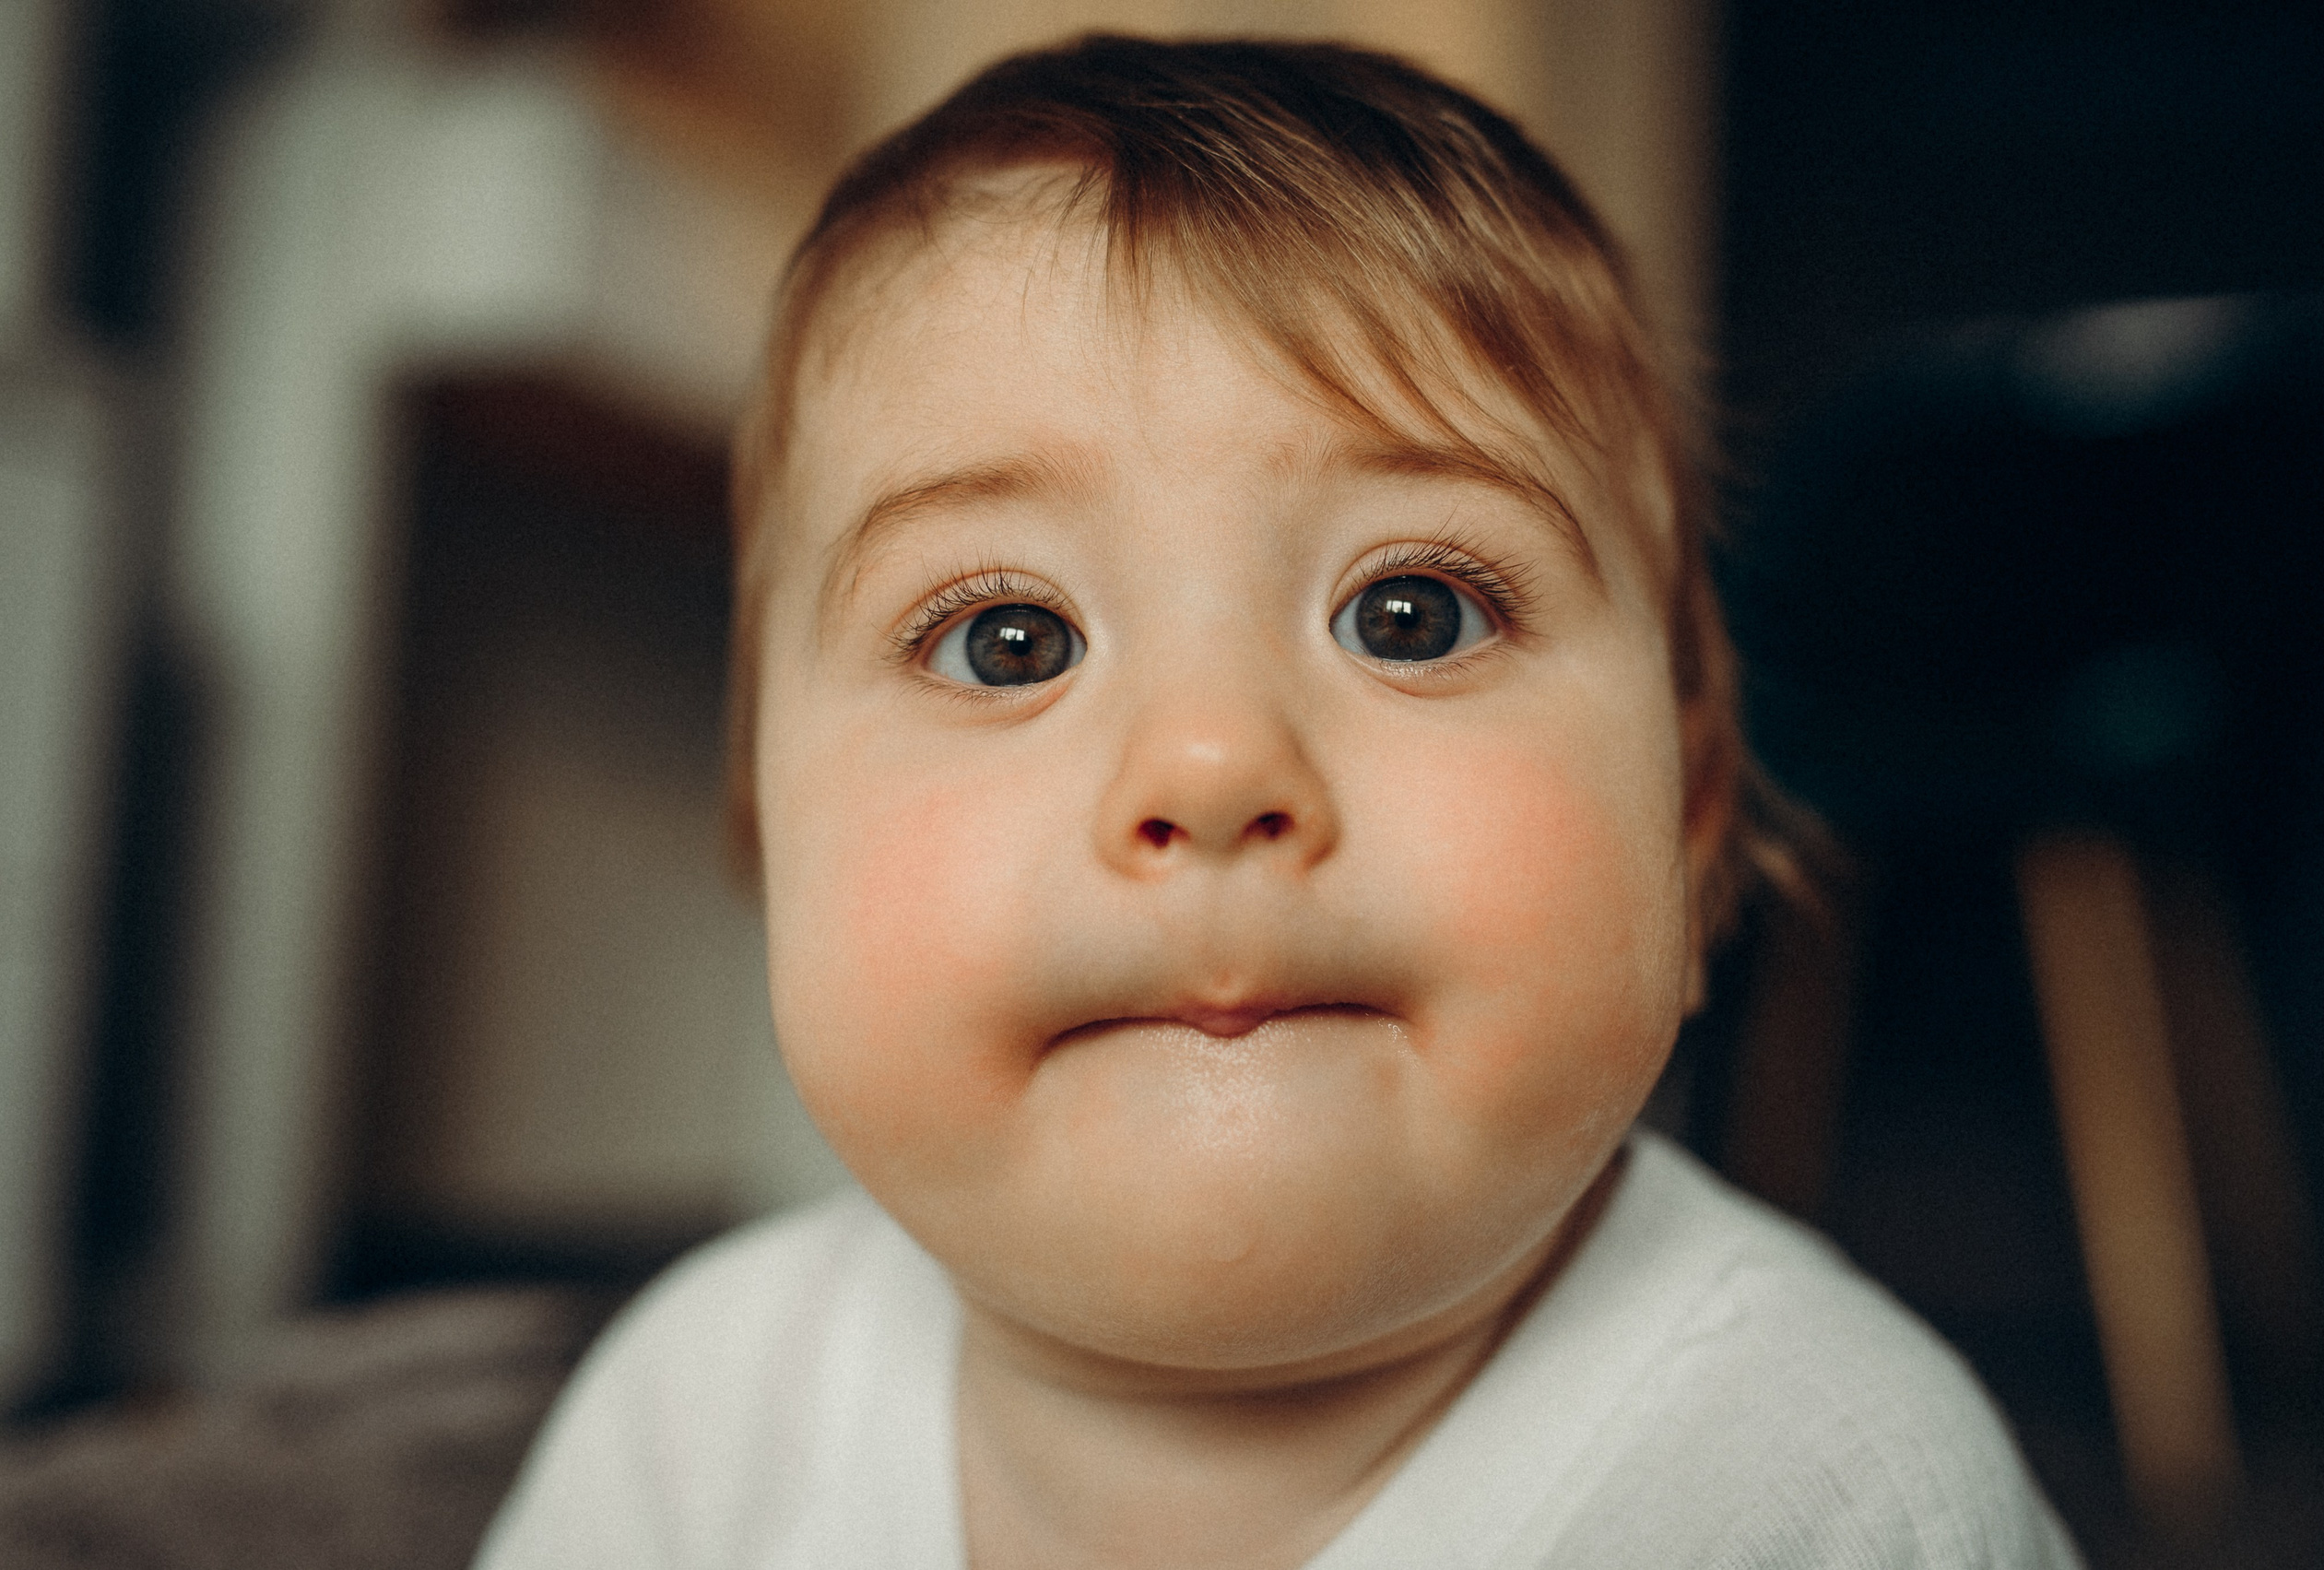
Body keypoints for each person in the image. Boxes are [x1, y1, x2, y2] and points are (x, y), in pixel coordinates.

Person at [475, 35, 2080, 1569]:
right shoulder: (693, 1433)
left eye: (1412, 617)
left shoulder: (1833, 1498)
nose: (1214, 768)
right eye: (1009, 639)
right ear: (769, 835)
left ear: (1690, 820)